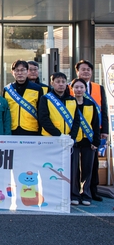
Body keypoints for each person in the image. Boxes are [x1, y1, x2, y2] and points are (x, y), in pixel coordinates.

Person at [73, 59, 109, 202]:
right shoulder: (72, 87)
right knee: (76, 165)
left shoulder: (98, 87)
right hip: (76, 131)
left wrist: (104, 130)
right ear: (77, 71)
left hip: (94, 130)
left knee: (92, 164)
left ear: (92, 72)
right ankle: (76, 192)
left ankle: (92, 191)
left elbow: (103, 109)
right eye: (83, 69)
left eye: (88, 69)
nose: (86, 72)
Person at [70, 78, 101, 206]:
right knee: (74, 169)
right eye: (76, 87)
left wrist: (96, 141)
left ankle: (86, 195)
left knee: (87, 169)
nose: (78, 90)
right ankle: (74, 195)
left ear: (85, 89)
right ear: (72, 89)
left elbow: (95, 124)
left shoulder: (91, 104)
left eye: (81, 87)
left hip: (88, 141)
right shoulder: (68, 103)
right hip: (74, 141)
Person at [2, 60, 43, 135]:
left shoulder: (37, 89)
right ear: (12, 72)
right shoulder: (7, 89)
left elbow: (41, 112)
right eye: (16, 70)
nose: (20, 73)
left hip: (31, 129)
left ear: (27, 71)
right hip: (12, 128)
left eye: (22, 70)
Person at [38, 72, 79, 137]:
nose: (61, 84)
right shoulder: (45, 98)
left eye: (63, 82)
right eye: (58, 82)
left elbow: (77, 120)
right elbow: (43, 119)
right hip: (50, 138)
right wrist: (59, 135)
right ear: (52, 83)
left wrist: (72, 136)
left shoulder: (72, 99)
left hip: (68, 138)